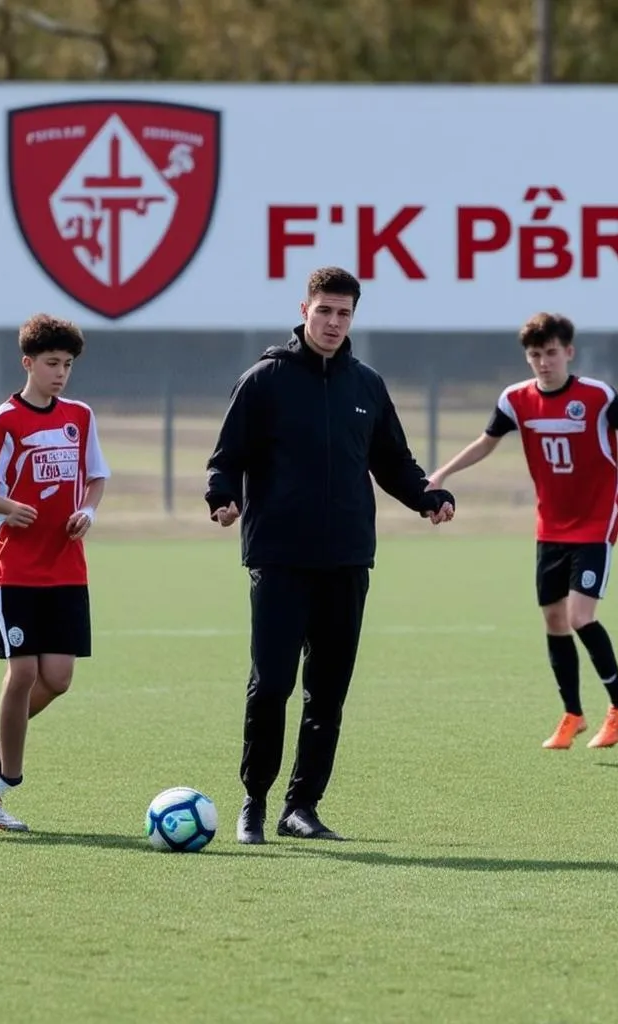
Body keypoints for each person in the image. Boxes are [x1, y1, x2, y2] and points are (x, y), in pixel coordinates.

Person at [206, 266, 456, 845]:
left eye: (344, 314)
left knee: (328, 690)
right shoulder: (264, 379)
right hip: (279, 557)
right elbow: (227, 455)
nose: (334, 323)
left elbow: (393, 460)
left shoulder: (366, 384)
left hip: (346, 559)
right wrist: (221, 496)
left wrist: (426, 497)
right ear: (304, 310)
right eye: (325, 311)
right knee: (271, 684)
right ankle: (255, 802)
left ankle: (303, 807)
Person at [426, 312, 618, 750]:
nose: (543, 362)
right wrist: (442, 474)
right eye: (534, 355)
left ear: (568, 352)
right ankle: (572, 714)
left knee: (580, 616)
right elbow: (486, 442)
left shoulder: (597, 395)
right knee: (553, 618)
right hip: (551, 520)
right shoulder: (515, 399)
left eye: (550, 353)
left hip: (596, 517)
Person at [0, 314, 110, 832]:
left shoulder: (80, 416)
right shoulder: (0, 421)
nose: (61, 373)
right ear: (27, 363)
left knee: (58, 678)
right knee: (25, 671)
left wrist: (90, 513)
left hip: (65, 566)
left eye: (68, 364)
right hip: (12, 565)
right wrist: (7, 506)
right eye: (52, 363)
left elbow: (95, 478)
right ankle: (0, 781)